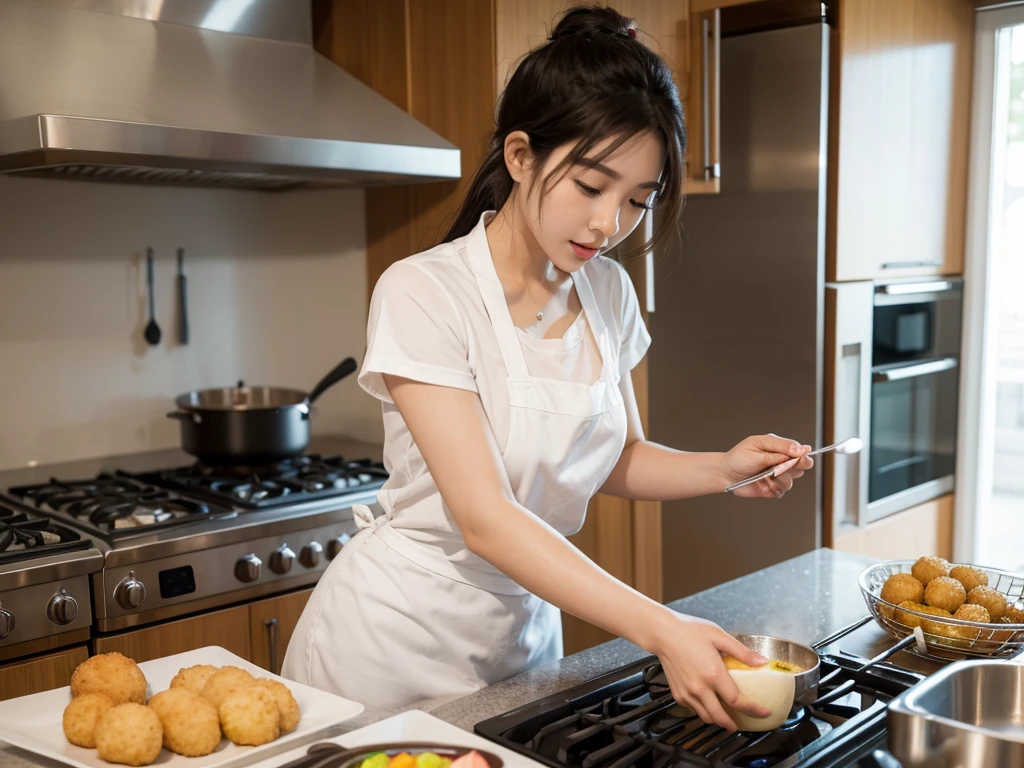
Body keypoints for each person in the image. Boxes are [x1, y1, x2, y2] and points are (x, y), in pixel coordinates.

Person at [282, 4, 813, 730]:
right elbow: (486, 520)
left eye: (636, 200)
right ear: (522, 155)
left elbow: (617, 456)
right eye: (590, 188)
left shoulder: (606, 290)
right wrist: (662, 628)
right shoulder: (424, 291)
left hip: (524, 639)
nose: (608, 225)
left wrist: (724, 468)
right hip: (391, 646)